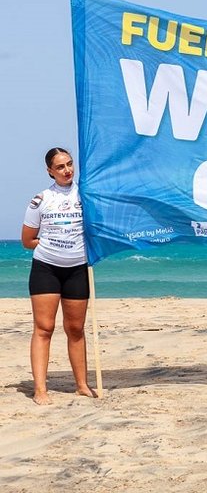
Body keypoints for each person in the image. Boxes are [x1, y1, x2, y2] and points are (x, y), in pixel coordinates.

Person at [22, 147, 95, 405]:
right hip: (47, 269)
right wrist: (51, 245)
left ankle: (82, 385)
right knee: (44, 328)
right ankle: (40, 389)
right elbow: (27, 240)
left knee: (75, 328)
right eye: (61, 167)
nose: (68, 170)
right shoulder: (40, 200)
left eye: (70, 164)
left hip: (78, 269)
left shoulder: (87, 194)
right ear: (50, 171)